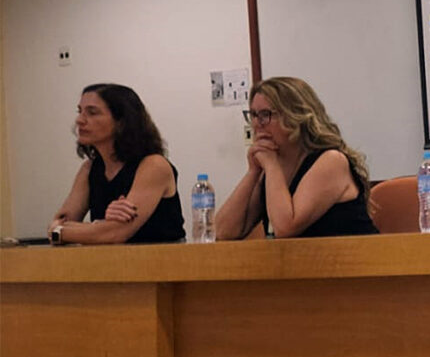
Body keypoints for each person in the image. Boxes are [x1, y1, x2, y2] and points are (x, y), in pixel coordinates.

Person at [215, 77, 377, 239]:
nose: (257, 124)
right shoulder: (271, 168)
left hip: (354, 259)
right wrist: (253, 172)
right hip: (302, 262)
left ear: (295, 117)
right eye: (254, 115)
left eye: (266, 114)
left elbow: (285, 228)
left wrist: (271, 166)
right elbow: (223, 232)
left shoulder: (332, 161)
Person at [48, 84, 185, 244]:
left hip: (162, 262)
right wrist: (99, 226)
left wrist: (62, 232)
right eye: (80, 112)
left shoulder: (154, 165)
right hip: (112, 262)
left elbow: (115, 234)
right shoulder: (89, 169)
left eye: (92, 113)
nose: (80, 120)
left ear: (122, 121)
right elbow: (59, 222)